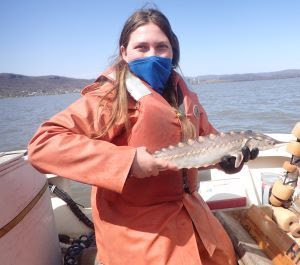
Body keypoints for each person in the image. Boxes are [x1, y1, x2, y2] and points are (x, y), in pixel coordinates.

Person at [28, 8, 258, 265]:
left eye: (161, 47)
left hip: (194, 213)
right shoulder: (108, 98)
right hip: (138, 227)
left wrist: (226, 160)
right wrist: (126, 162)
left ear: (173, 52)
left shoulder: (183, 98)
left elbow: (207, 140)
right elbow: (44, 143)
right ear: (124, 52)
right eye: (142, 47)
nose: (152, 55)